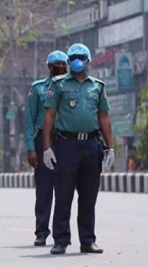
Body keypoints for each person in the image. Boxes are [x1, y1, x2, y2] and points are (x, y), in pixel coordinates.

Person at [42, 43, 114, 255]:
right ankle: (61, 240)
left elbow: (104, 116)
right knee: (63, 194)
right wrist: (46, 147)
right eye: (73, 57)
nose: (76, 60)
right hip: (67, 144)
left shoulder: (97, 86)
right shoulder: (59, 84)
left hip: (91, 145)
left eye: (81, 57)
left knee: (88, 196)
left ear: (88, 61)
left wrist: (110, 148)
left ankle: (88, 240)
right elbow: (49, 115)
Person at [25, 50, 68, 247]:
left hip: (66, 140)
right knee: (44, 189)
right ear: (49, 67)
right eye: (56, 64)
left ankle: (62, 232)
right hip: (43, 139)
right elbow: (29, 120)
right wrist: (30, 148)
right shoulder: (38, 88)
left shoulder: (71, 86)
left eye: (63, 63)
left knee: (64, 189)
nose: (61, 66)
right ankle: (41, 232)